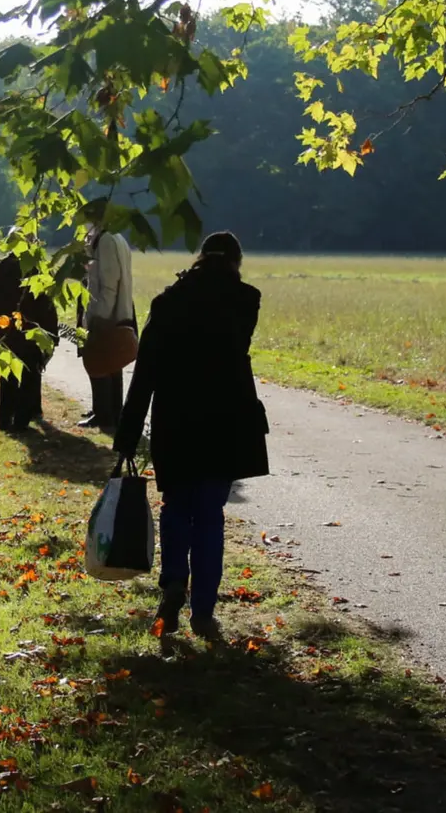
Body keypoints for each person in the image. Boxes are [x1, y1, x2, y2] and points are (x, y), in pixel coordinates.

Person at [112, 230, 269, 640]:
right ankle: (203, 610)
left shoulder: (167, 303)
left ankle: (172, 586)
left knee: (177, 507)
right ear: (236, 262)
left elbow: (144, 372)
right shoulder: (245, 300)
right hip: (225, 423)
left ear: (199, 258)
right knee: (210, 516)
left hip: (175, 421)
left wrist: (127, 434)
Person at [0, 249, 59, 432]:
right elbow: (49, 306)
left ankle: (5, 420)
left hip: (8, 334)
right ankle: (21, 420)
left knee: (8, 377)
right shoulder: (39, 269)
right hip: (32, 333)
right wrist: (52, 333)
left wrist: (0, 319)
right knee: (29, 375)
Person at [77, 225, 135, 432]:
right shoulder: (116, 237)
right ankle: (112, 412)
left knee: (98, 361)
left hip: (106, 313)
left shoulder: (106, 241)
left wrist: (99, 317)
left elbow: (108, 284)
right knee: (112, 363)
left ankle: (104, 415)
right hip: (115, 311)